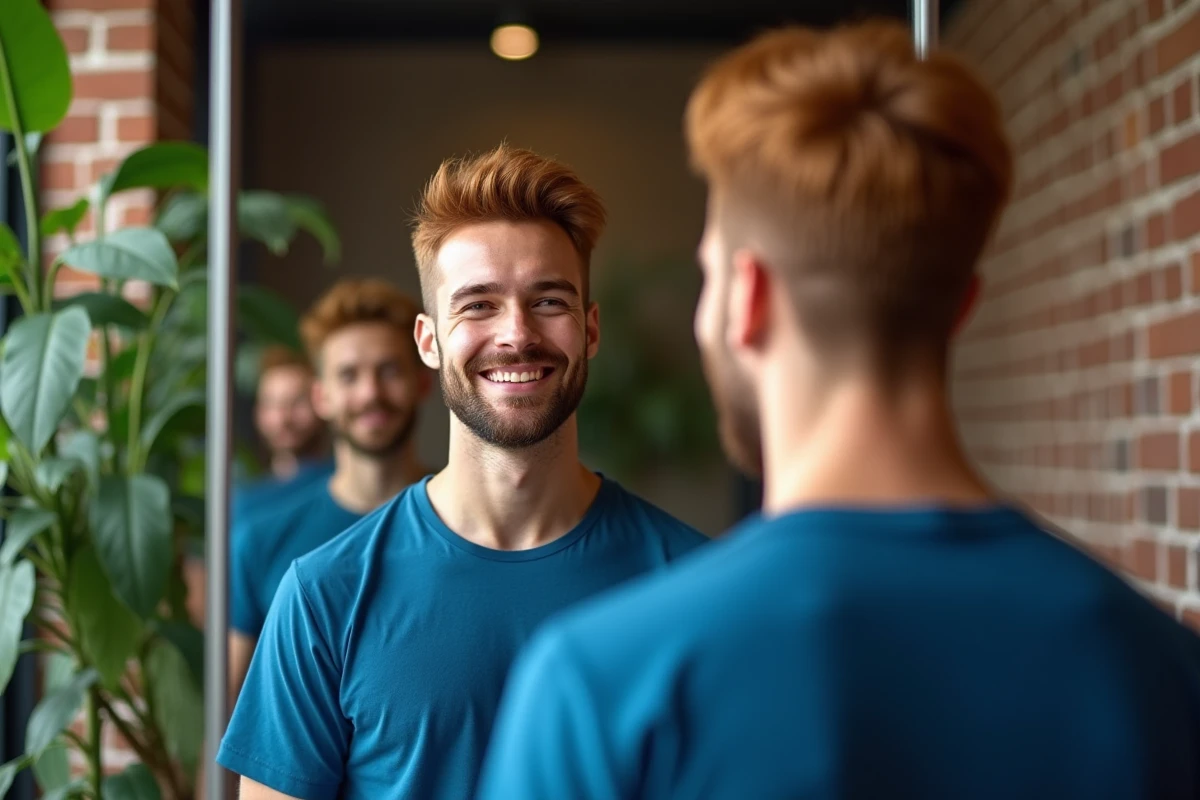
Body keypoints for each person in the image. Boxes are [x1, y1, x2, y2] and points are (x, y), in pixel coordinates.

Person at [475, 20, 1200, 800]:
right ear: (961, 306)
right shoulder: (1161, 667)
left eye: (710, 276)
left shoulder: (604, 687)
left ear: (747, 299)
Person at [215, 144, 709, 800]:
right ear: (428, 340)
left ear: (590, 330)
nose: (516, 334)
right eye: (478, 305)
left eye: (550, 301)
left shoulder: (689, 586)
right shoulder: (323, 595)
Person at [227, 279, 432, 703]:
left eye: (389, 370)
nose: (370, 393)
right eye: (348, 375)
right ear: (321, 396)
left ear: (422, 382)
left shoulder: (476, 521)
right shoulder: (261, 541)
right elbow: (228, 719)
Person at [231, 345, 333, 522]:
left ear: (321, 402)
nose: (282, 419)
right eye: (270, 404)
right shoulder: (248, 500)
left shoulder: (342, 491)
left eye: (297, 402)